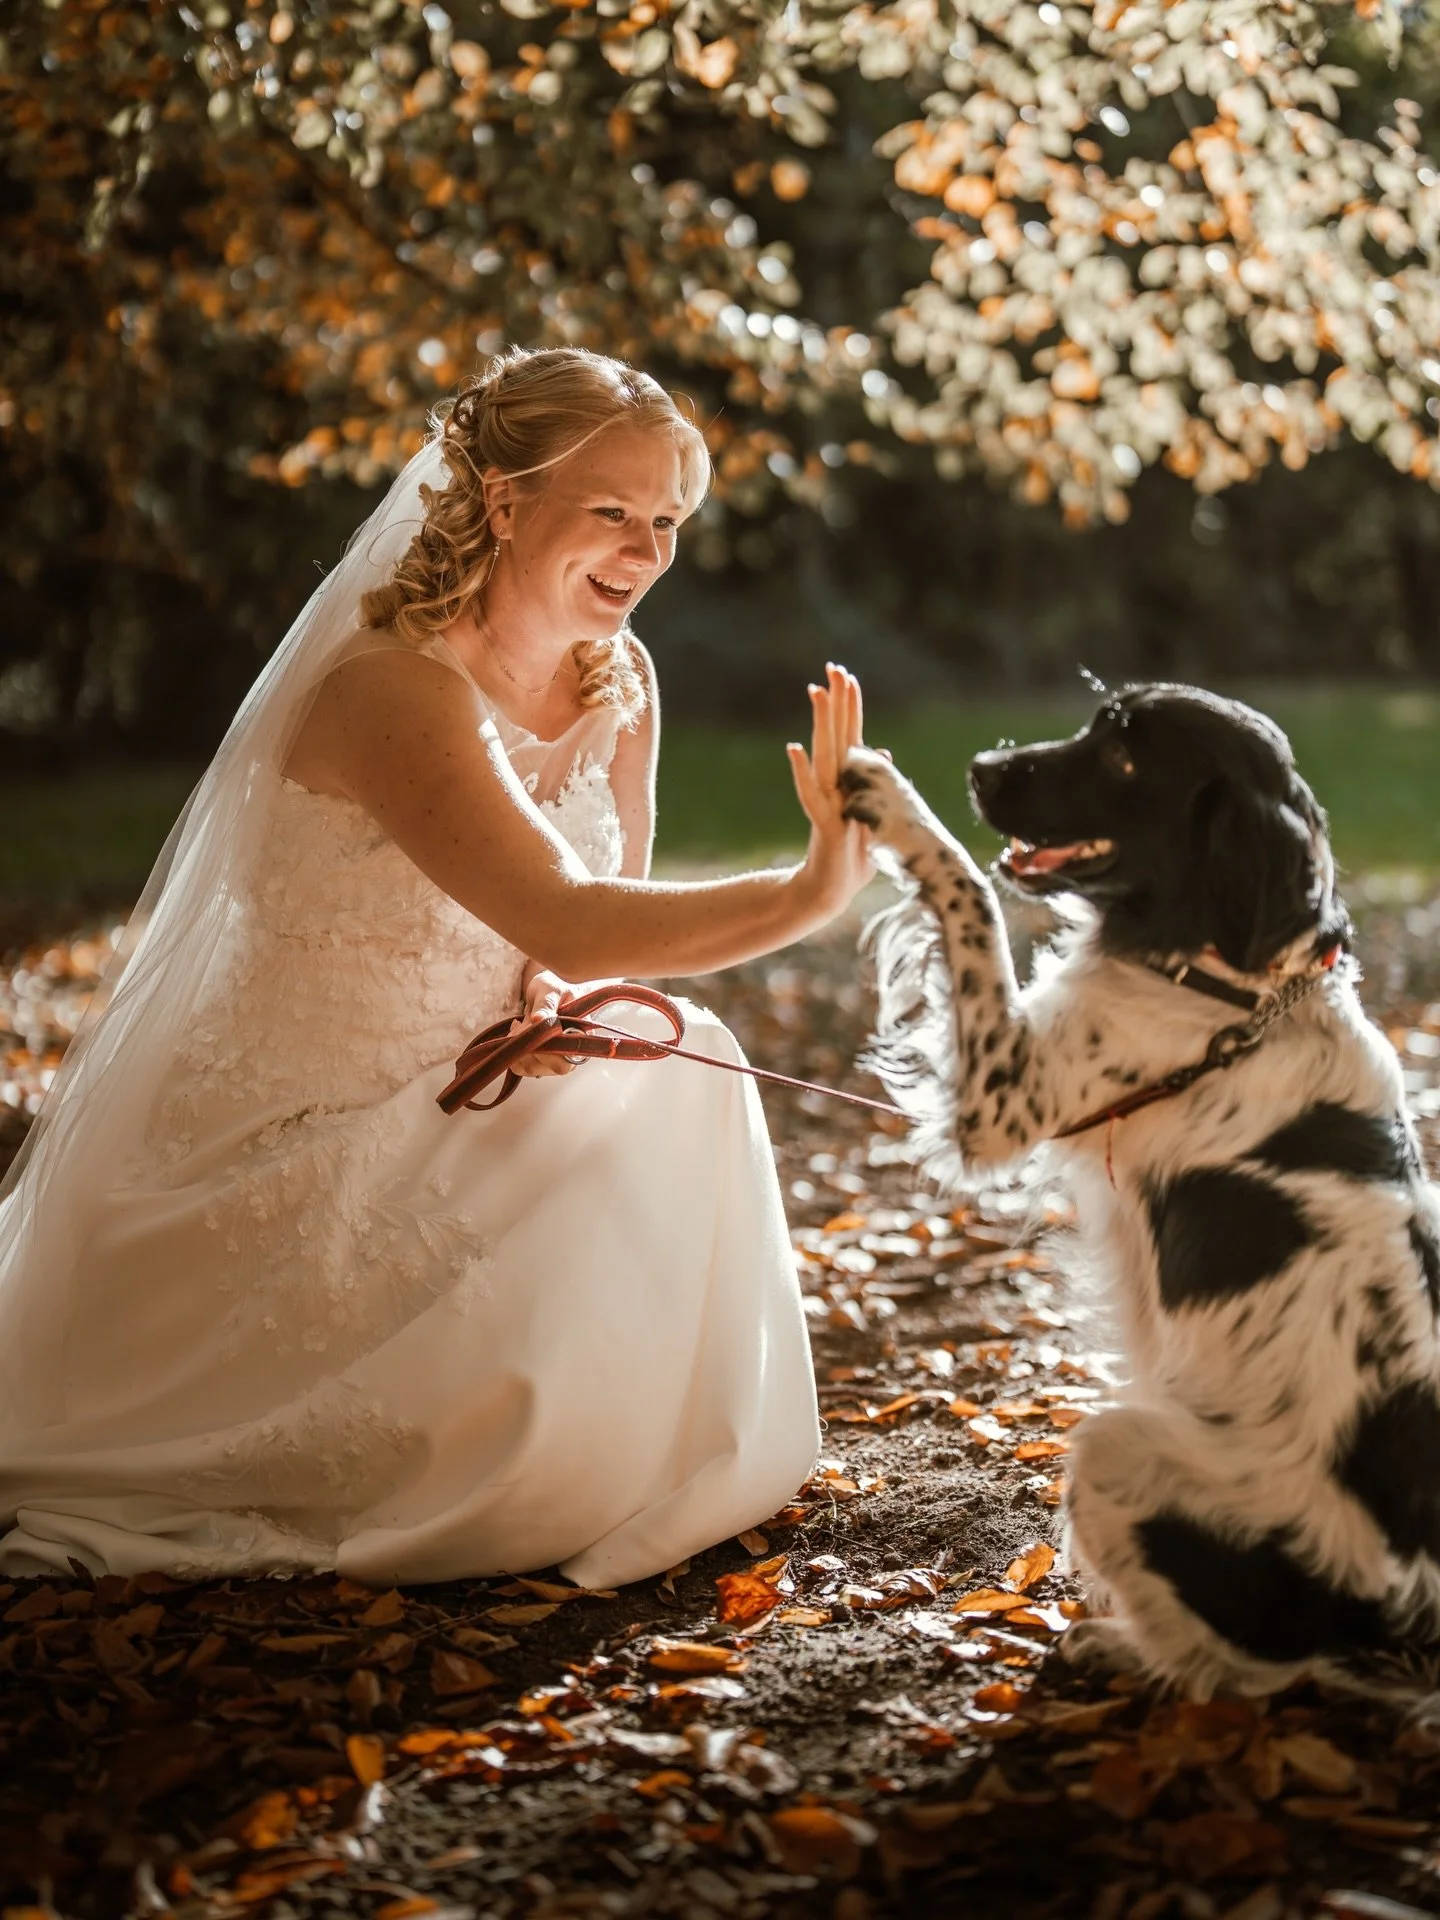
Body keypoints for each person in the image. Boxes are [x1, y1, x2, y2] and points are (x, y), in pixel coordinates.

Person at [0, 346, 872, 1587]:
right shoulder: (392, 689)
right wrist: (809, 890)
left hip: (472, 1088)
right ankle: (532, 1456)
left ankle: (621, 1444)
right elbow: (568, 908)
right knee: (683, 1071)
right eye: (613, 513)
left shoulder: (619, 678)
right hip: (296, 1132)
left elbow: (569, 935)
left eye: (669, 520)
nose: (646, 553)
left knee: (679, 1065)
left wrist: (551, 1000)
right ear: (506, 501)